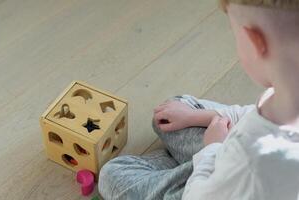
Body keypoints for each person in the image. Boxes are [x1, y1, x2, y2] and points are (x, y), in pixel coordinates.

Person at [98, 0, 299, 199]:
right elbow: (247, 114)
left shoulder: (250, 164)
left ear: (256, 42)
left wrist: (211, 149)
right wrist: (194, 116)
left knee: (112, 174)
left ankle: (180, 171)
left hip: (215, 186)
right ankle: (181, 168)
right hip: (230, 164)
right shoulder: (286, 94)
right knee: (173, 111)